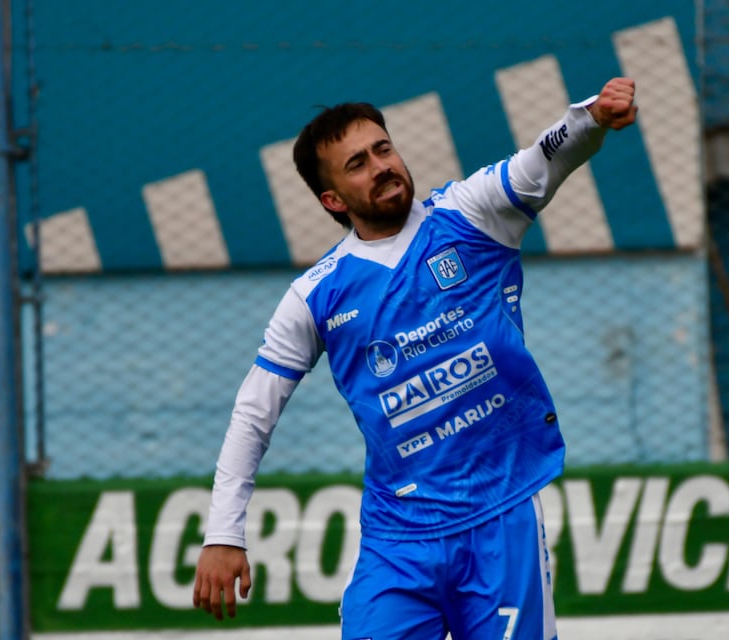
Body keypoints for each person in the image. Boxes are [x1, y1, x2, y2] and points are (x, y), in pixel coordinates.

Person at [193, 77, 637, 639]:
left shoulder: (469, 215)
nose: (380, 166)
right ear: (332, 199)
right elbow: (254, 412)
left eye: (384, 149)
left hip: (501, 516)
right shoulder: (316, 296)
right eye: (357, 163)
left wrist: (590, 117)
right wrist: (223, 533)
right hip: (398, 540)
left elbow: (541, 162)